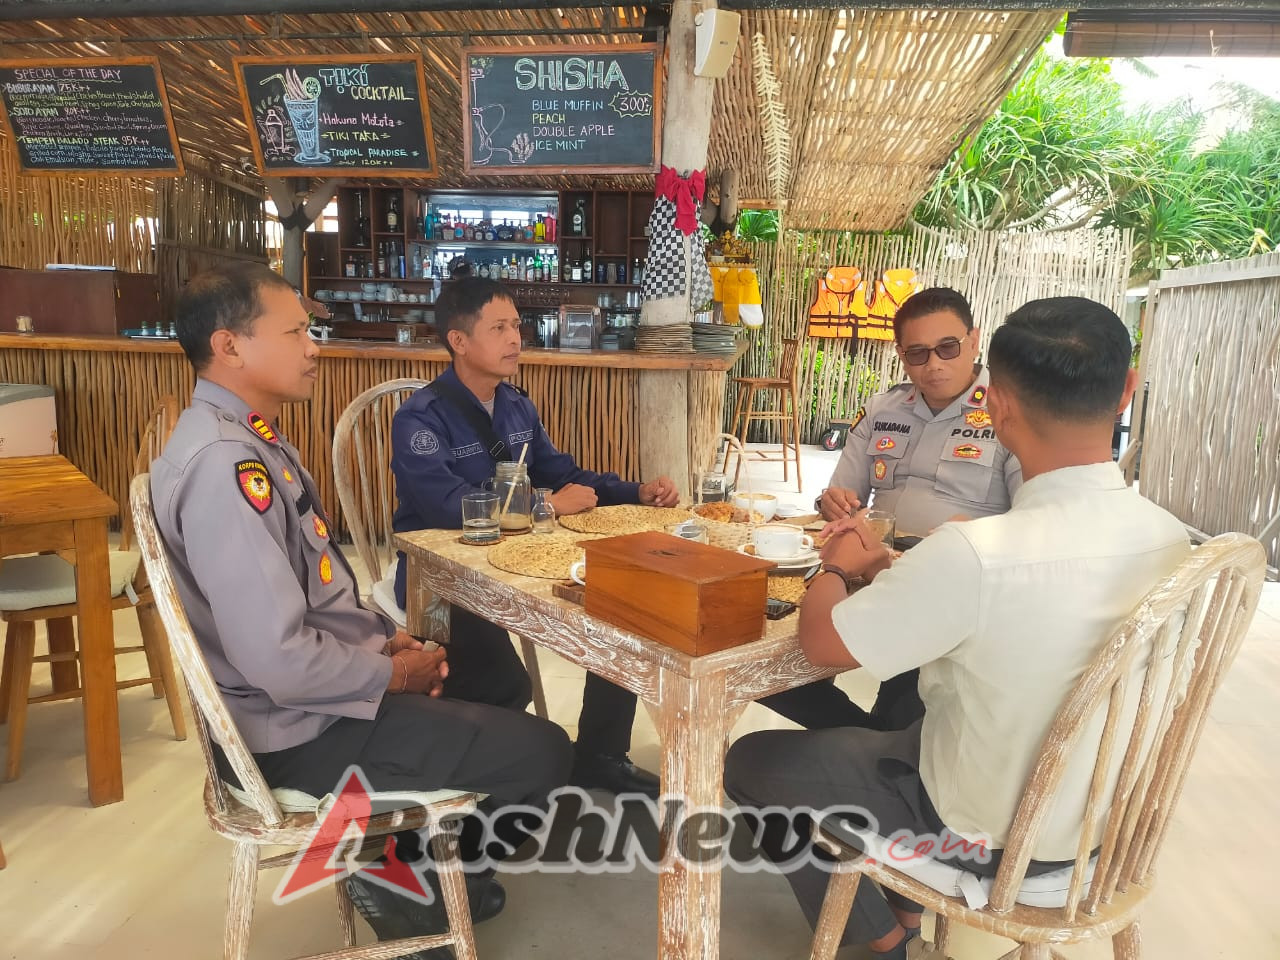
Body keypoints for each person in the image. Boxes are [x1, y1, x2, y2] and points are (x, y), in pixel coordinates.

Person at [724, 296, 1189, 959]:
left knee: (748, 761)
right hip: (1106, 834)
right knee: (913, 721)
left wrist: (830, 569)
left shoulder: (979, 552)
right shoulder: (1178, 545)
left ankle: (876, 933)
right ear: (1127, 392)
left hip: (980, 838)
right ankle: (902, 914)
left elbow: (821, 644)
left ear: (995, 405)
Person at [152, 263, 573, 955]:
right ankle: (395, 874)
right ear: (229, 346)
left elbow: (317, 601)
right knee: (543, 754)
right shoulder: (229, 467)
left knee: (498, 682)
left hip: (302, 698)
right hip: (293, 736)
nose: (315, 346)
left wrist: (390, 639)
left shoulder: (241, 436)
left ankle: (410, 851)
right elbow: (279, 659)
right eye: (295, 332)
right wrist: (391, 675)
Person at [390, 277, 680, 798]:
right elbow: (444, 505)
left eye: (516, 326)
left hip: (520, 559)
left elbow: (562, 472)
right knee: (504, 683)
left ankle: (598, 755)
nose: (514, 338)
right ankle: (471, 791)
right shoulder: (420, 418)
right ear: (458, 341)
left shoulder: (516, 406)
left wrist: (635, 490)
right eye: (498, 328)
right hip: (440, 579)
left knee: (622, 614)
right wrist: (544, 504)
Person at [763, 287, 1022, 731]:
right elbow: (840, 495)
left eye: (948, 348)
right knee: (771, 657)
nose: (934, 364)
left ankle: (881, 742)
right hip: (873, 565)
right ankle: (871, 740)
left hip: (952, 578)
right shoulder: (884, 409)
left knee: (909, 696)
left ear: (975, 341)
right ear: (901, 355)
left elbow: (1030, 519)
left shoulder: (1008, 412)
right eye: (918, 353)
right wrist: (833, 503)